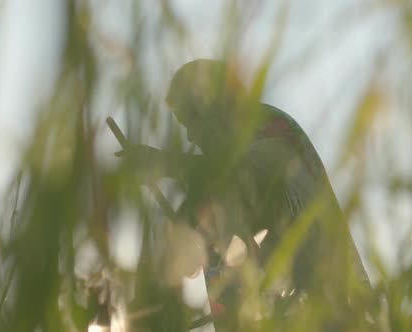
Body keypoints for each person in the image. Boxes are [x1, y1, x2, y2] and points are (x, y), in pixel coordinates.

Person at [117, 59, 378, 330]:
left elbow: (239, 175)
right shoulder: (229, 184)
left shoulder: (274, 140)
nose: (191, 137)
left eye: (192, 119)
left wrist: (162, 162)